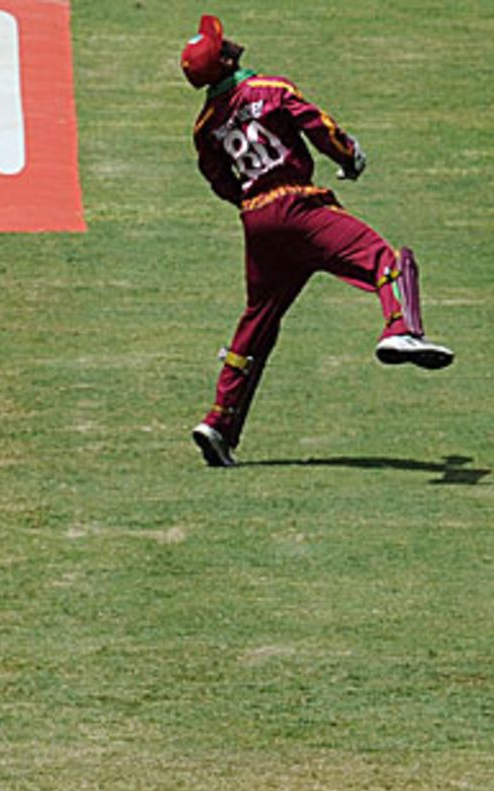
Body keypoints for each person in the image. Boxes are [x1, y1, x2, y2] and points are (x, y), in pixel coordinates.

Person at [180, 14, 454, 468]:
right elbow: (318, 126)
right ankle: (401, 330)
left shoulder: (205, 123)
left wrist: (254, 206)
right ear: (227, 58)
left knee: (257, 323)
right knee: (386, 259)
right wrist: (349, 156)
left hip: (257, 220)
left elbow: (217, 180)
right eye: (222, 42)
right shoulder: (272, 89)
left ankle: (218, 423)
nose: (229, 42)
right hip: (299, 205)